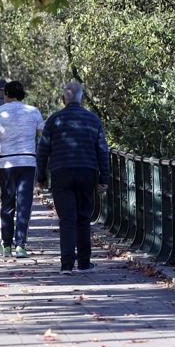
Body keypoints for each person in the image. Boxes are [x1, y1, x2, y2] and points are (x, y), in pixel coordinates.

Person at [37, 81, 110, 272]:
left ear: (63, 99)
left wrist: (41, 176)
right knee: (83, 218)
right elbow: (102, 150)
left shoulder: (54, 120)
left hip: (61, 172)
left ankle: (67, 264)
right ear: (82, 98)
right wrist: (104, 179)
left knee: (67, 219)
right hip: (87, 172)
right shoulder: (93, 120)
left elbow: (43, 149)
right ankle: (84, 262)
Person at [0, 80, 44, 258]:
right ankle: (21, 245)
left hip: (6, 163)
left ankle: (6, 245)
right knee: (24, 204)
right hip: (27, 162)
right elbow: (43, 135)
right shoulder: (33, 111)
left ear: (6, 94)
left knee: (7, 203)